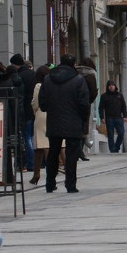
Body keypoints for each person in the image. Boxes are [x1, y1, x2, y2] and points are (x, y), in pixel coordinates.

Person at [38, 53, 90, 193]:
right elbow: (84, 103)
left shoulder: (48, 79)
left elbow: (42, 103)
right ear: (74, 65)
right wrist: (83, 119)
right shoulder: (79, 80)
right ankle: (70, 185)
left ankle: (50, 184)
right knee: (72, 155)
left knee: (53, 153)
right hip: (73, 122)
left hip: (54, 121)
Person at [10, 54, 37, 171]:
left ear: (15, 64)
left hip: (24, 109)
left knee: (26, 137)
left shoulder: (19, 76)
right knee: (30, 136)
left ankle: (30, 162)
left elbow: (21, 95)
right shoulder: (32, 74)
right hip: (32, 109)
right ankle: (33, 162)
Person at [29, 65, 49, 184]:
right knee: (52, 144)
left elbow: (35, 102)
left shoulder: (38, 86)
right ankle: (56, 169)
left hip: (41, 115)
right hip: (53, 115)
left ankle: (37, 174)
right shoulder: (52, 84)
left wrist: (35, 111)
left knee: (40, 146)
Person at [76, 56, 99, 160]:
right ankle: (80, 151)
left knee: (76, 126)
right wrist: (89, 100)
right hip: (85, 103)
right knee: (84, 127)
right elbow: (93, 91)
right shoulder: (91, 75)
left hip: (74, 103)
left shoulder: (76, 73)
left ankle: (76, 151)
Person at [98, 80, 127, 153]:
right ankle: (112, 150)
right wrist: (102, 117)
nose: (111, 87)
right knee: (110, 135)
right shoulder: (104, 96)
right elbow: (101, 108)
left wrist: (125, 116)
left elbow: (124, 106)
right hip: (109, 118)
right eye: (109, 85)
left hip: (118, 118)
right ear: (108, 87)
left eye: (112, 85)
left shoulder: (119, 95)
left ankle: (117, 147)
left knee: (121, 133)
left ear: (115, 86)